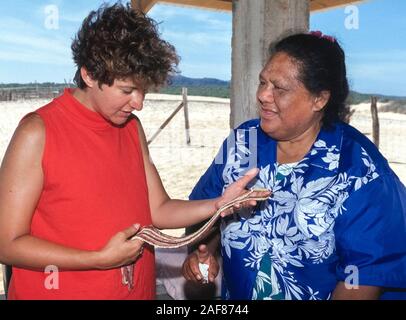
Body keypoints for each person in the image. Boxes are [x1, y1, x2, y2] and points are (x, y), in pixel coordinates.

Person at [0, 3, 268, 300]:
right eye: (127, 91)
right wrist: (97, 259)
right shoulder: (37, 132)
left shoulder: (131, 127)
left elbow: (158, 210)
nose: (138, 103)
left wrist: (218, 204)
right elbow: (7, 243)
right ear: (89, 74)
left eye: (144, 90)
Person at [182, 31, 406, 300]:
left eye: (280, 88)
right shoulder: (242, 143)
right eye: (262, 82)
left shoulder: (360, 170)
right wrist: (201, 253)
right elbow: (205, 211)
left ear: (319, 99)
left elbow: (363, 276)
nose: (264, 95)